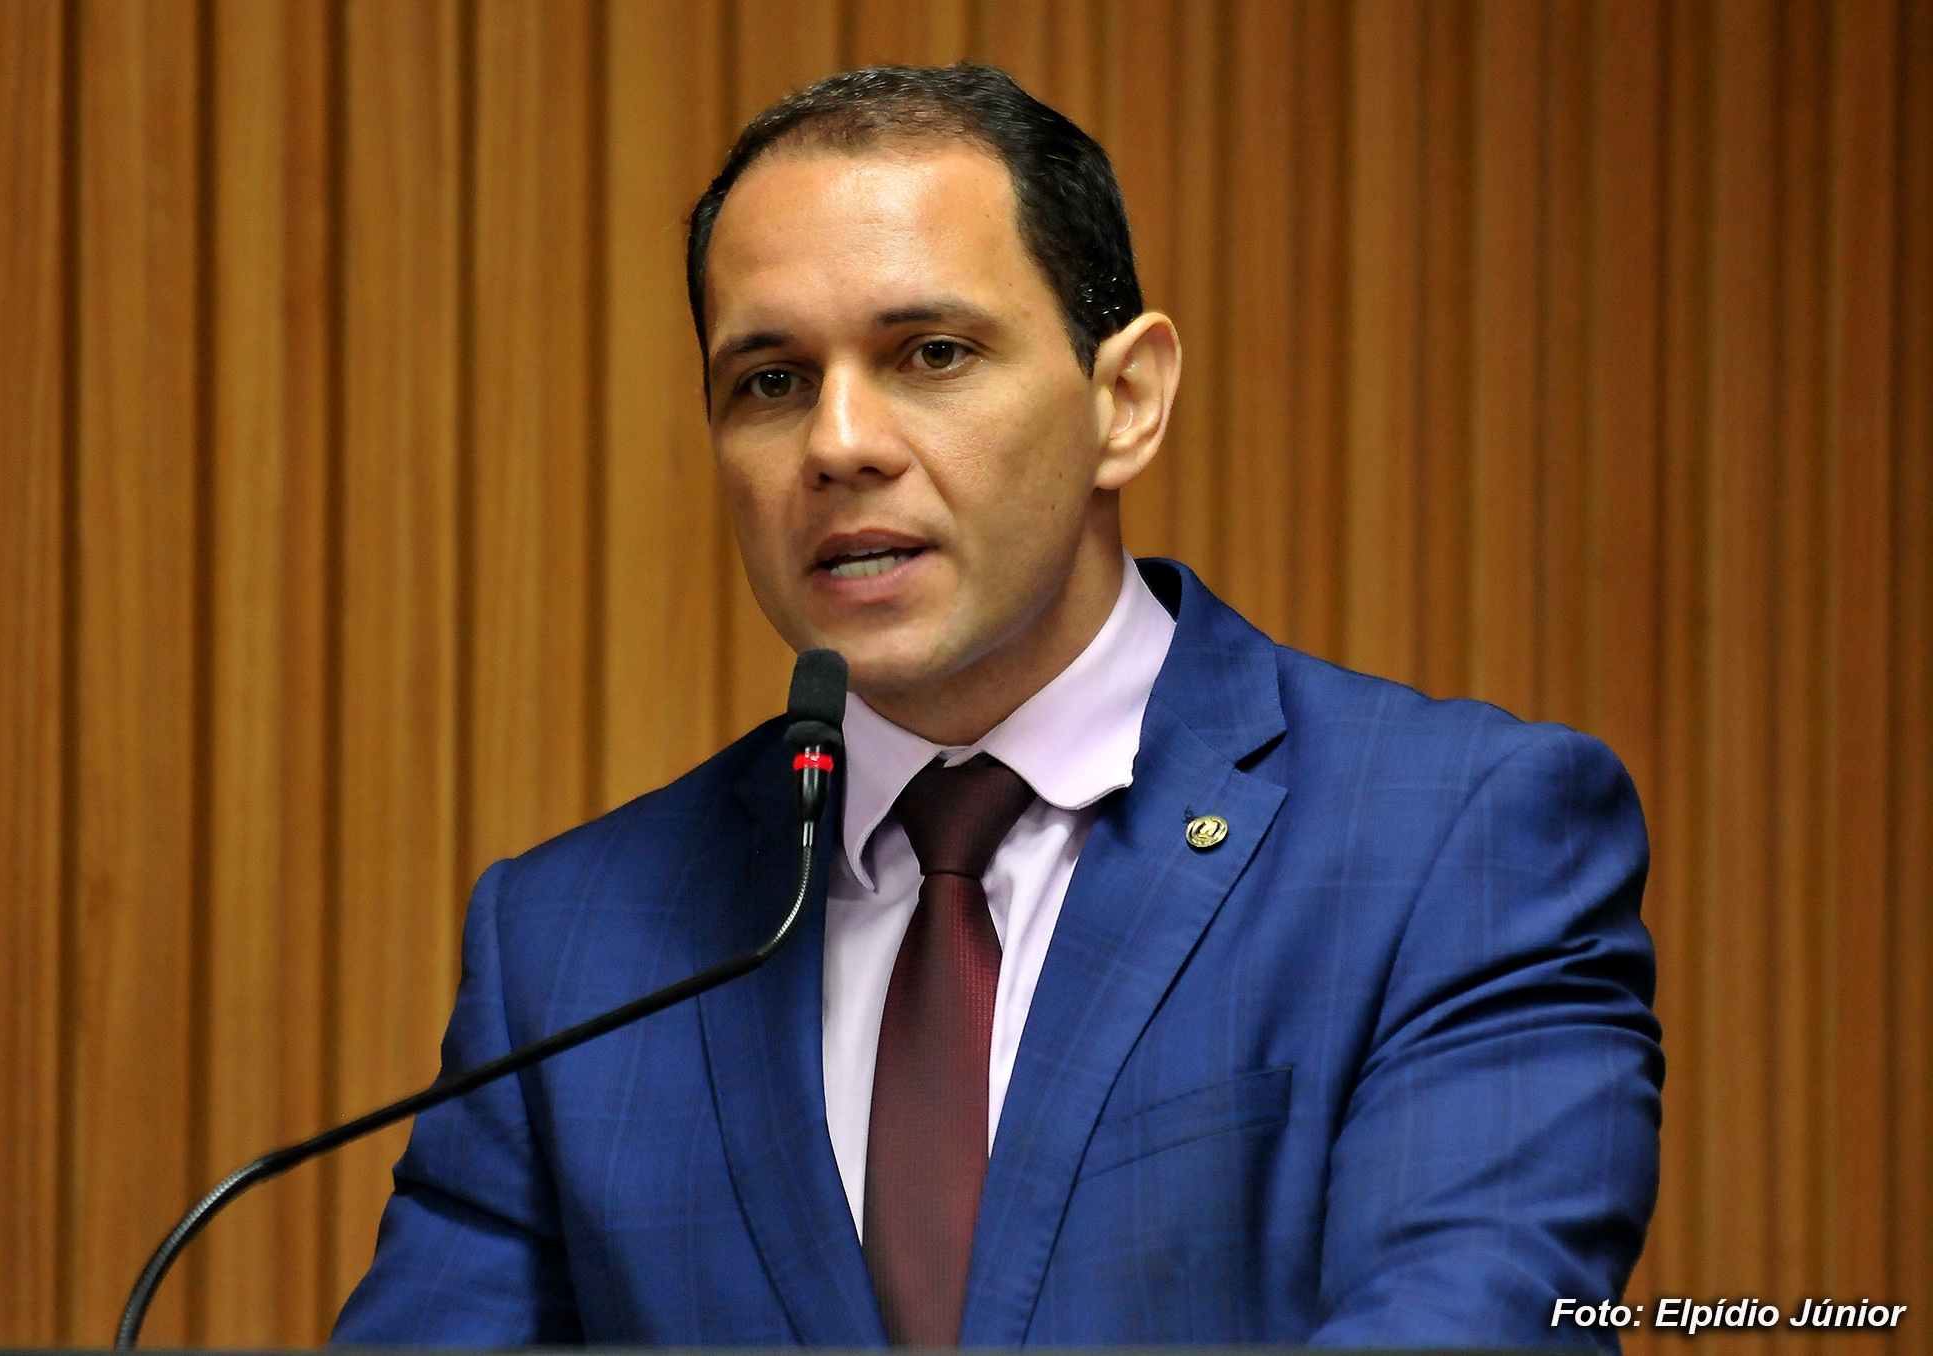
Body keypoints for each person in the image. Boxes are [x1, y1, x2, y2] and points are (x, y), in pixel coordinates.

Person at [333, 64, 1661, 1347]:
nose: (838, 443)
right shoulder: (570, 947)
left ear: (1125, 401)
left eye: (932, 353)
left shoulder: (1450, 845)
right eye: (771, 382)